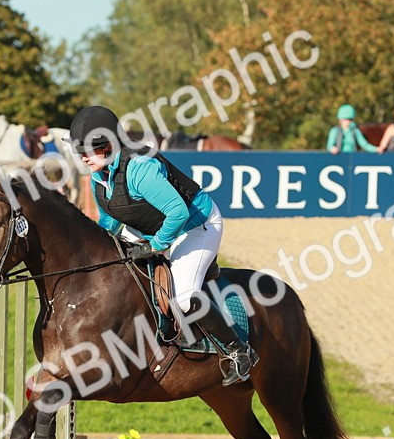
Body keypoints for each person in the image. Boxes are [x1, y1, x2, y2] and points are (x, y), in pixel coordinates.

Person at [68, 105, 256, 385]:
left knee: (184, 296)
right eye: (78, 150)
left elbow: (177, 213)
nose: (82, 157)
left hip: (195, 226)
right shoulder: (99, 175)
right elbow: (109, 218)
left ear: (107, 146)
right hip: (151, 226)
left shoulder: (140, 169)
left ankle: (239, 351)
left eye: (86, 150)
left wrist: (154, 246)